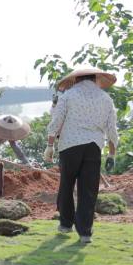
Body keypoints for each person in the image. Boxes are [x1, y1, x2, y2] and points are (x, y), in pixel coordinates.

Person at [44, 68, 119, 244]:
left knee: (66, 184)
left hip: (70, 145)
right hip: (94, 147)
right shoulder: (106, 99)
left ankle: (65, 224)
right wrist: (112, 154)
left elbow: (56, 121)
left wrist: (49, 145)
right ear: (95, 79)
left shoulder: (68, 96)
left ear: (76, 79)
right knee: (88, 190)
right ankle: (85, 233)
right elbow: (112, 130)